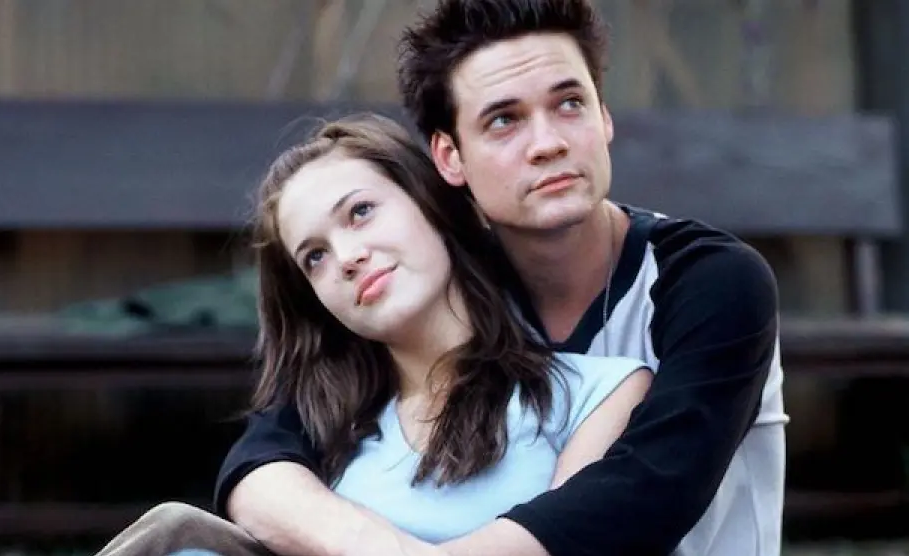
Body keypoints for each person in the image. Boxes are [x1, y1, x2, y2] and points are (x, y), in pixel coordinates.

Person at [215, 1, 789, 555]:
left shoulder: (709, 281)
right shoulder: (443, 283)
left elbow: (645, 495)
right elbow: (264, 456)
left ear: (605, 116)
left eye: (570, 104)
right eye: (504, 120)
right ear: (449, 157)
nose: (548, 144)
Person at [94, 114, 652, 556]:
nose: (347, 257)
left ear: (428, 203)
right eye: (315, 256)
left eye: (360, 212)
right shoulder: (327, 433)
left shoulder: (599, 391)